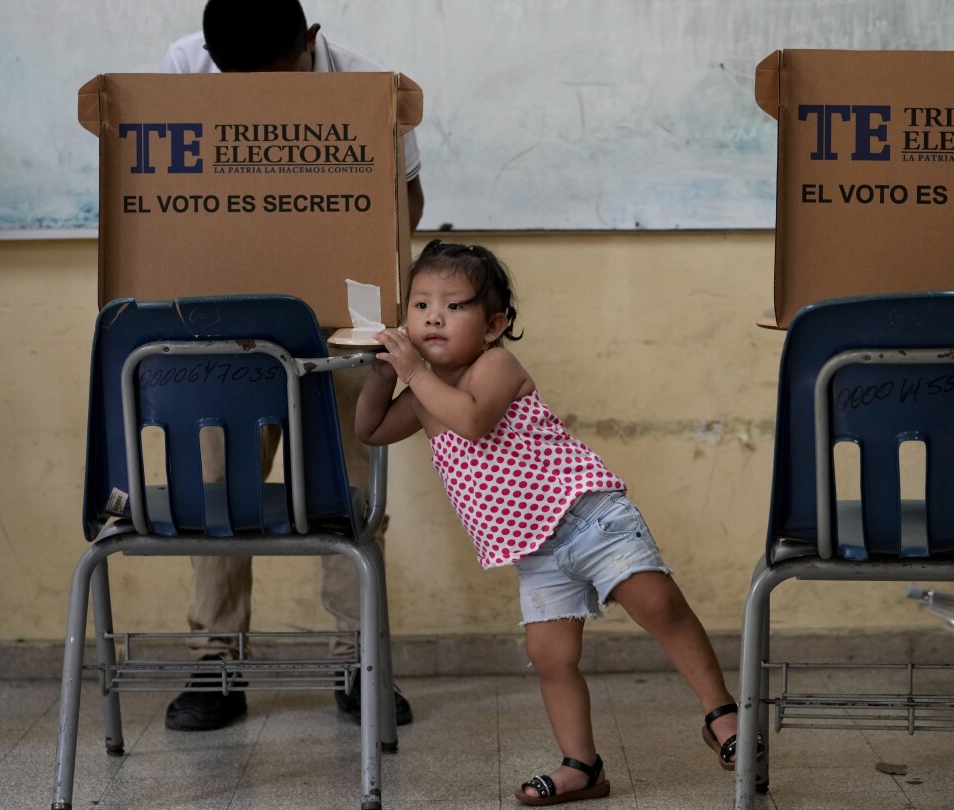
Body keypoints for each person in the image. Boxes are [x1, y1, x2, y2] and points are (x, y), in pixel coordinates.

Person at [354, 241, 759, 804]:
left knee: (657, 605)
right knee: (551, 658)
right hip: (534, 549)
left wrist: (415, 371)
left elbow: (471, 421)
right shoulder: (424, 392)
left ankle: (722, 715)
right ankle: (581, 765)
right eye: (420, 306)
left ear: (494, 325)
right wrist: (379, 375)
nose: (433, 317)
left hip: (586, 515)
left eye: (453, 305)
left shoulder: (494, 365)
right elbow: (371, 431)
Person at [159, 0, 424, 732]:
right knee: (218, 491)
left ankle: (356, 663)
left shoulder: (371, 86)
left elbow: (408, 202)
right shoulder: (183, 70)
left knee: (349, 493)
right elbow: (157, 205)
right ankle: (214, 666)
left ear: (311, 42)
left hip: (341, 325)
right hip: (221, 332)